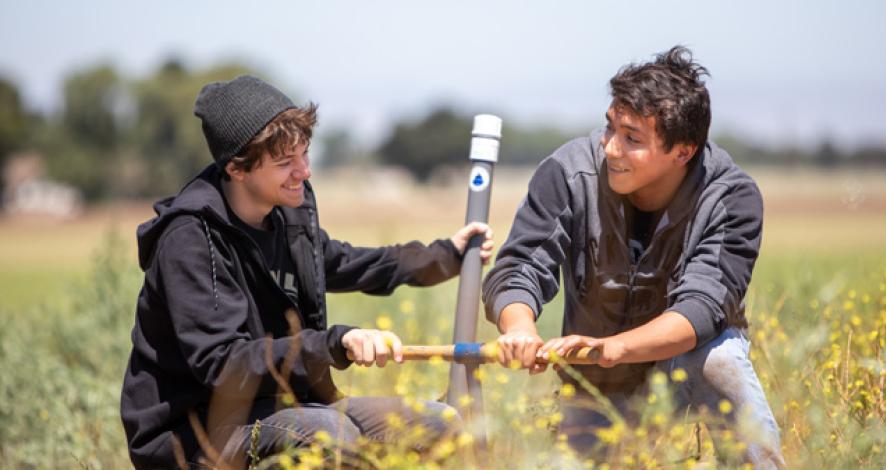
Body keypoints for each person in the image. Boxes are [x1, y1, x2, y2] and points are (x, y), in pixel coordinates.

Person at [120, 75, 494, 469]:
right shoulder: (190, 238)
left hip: (282, 406)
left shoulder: (286, 214)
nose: (304, 171)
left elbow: (343, 262)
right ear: (237, 168)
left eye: (304, 154)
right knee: (328, 435)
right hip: (192, 432)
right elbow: (223, 364)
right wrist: (334, 343)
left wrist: (445, 256)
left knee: (440, 424)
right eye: (285, 162)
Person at [482, 46, 783, 467]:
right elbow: (520, 266)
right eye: (610, 129)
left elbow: (702, 308)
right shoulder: (567, 173)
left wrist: (612, 346)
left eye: (632, 139)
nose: (611, 148)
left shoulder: (731, 197)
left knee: (719, 358)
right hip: (595, 385)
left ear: (683, 151)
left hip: (680, 372)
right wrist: (520, 330)